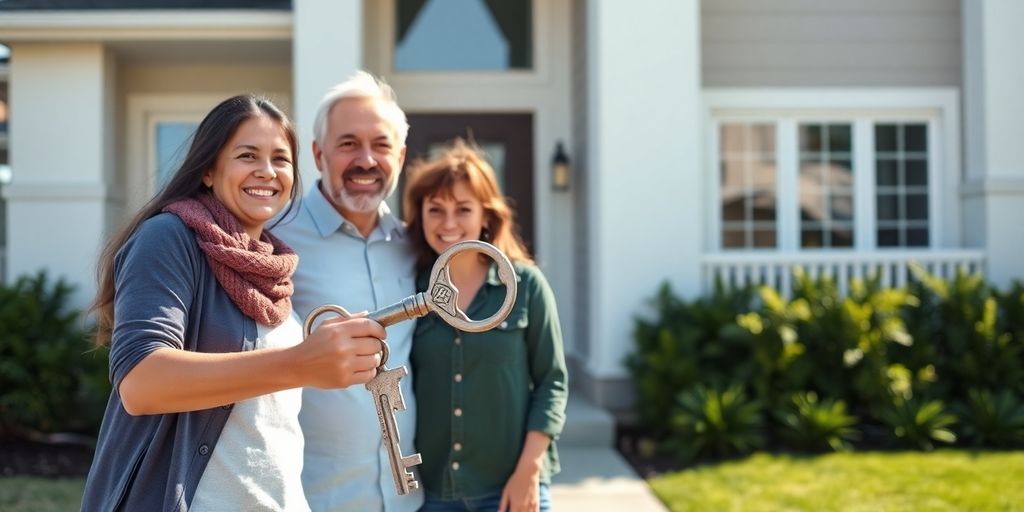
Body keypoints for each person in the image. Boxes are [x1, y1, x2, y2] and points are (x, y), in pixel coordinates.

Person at [81, 95, 388, 512]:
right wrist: (300, 363)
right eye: (248, 155)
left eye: (281, 159)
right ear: (208, 169)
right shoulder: (169, 238)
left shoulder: (272, 266)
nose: (268, 171)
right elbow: (140, 381)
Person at [271, 71, 422, 511]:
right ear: (318, 154)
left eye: (381, 144)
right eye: (348, 144)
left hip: (406, 500)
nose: (366, 160)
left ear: (402, 155)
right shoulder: (274, 243)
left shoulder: (415, 246)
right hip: (314, 498)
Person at [402, 139, 569, 512]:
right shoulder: (409, 289)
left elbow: (552, 383)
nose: (448, 223)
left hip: (512, 488)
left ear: (486, 217)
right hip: (434, 494)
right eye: (435, 209)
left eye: (463, 209)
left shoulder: (525, 285)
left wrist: (529, 469)